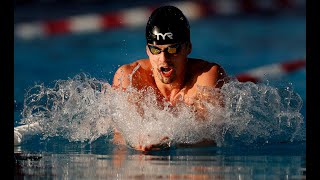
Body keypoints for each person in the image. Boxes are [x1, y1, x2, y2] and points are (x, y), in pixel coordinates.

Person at [111, 5, 228, 151]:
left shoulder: (206, 76)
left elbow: (211, 138)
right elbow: (119, 136)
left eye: (172, 49)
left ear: (188, 48)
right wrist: (137, 144)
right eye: (155, 50)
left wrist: (172, 144)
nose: (163, 59)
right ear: (147, 50)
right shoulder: (130, 77)